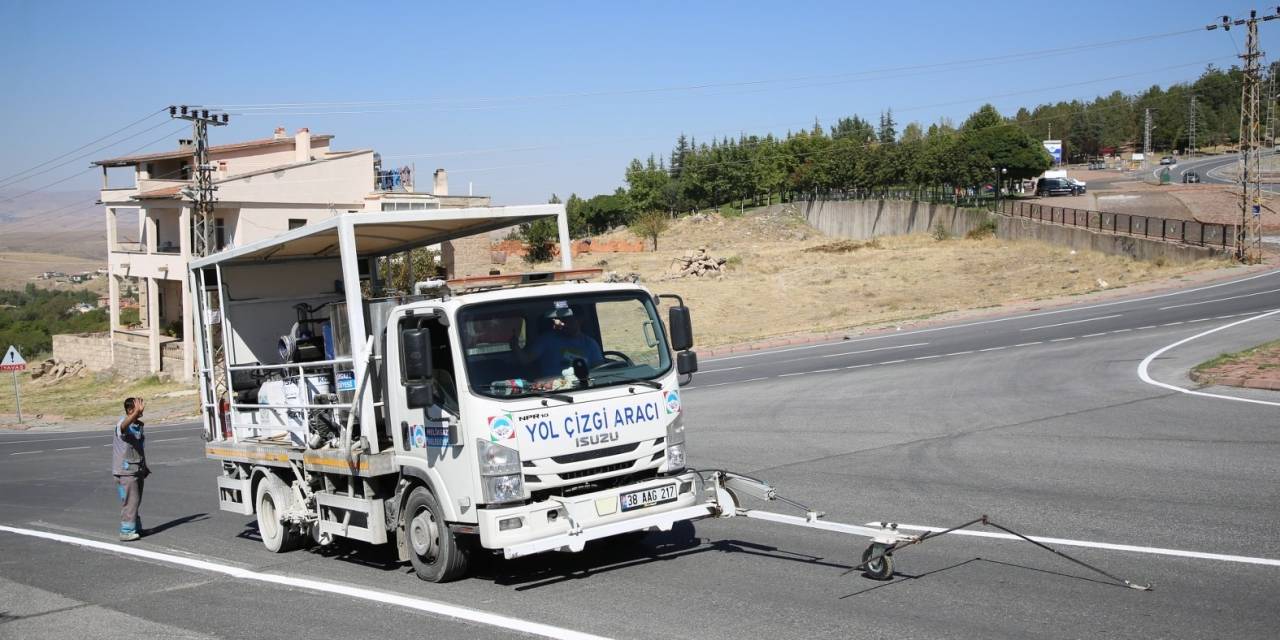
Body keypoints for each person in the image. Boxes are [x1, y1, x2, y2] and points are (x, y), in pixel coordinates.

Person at [510, 306, 604, 378]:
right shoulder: (547, 339)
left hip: (582, 386)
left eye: (568, 320)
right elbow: (525, 360)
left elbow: (599, 371)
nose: (563, 323)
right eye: (561, 320)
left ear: (580, 320)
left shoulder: (590, 344)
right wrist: (515, 346)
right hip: (552, 388)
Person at [113, 397, 148, 541]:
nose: (141, 409)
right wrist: (134, 414)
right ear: (129, 410)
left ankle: (135, 527)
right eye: (137, 407)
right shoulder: (123, 423)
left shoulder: (137, 426)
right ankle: (126, 531)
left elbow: (139, 449)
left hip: (136, 469)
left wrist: (144, 467)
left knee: (136, 500)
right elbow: (123, 427)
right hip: (125, 471)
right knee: (130, 501)